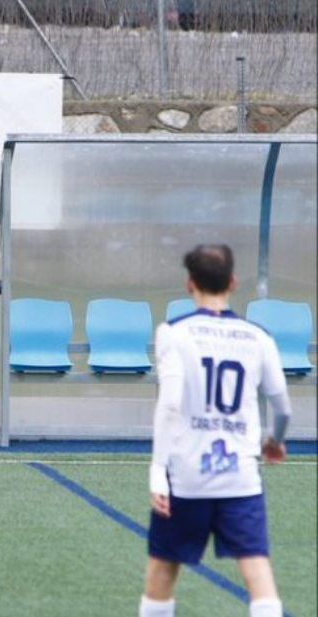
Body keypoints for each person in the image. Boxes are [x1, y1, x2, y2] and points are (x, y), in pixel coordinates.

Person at [140, 244, 292, 617]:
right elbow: (283, 405)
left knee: (163, 570)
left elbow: (170, 403)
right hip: (239, 477)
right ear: (234, 282)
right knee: (258, 572)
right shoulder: (258, 337)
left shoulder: (174, 333)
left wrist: (158, 472)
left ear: (190, 284)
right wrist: (276, 441)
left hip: (187, 475)